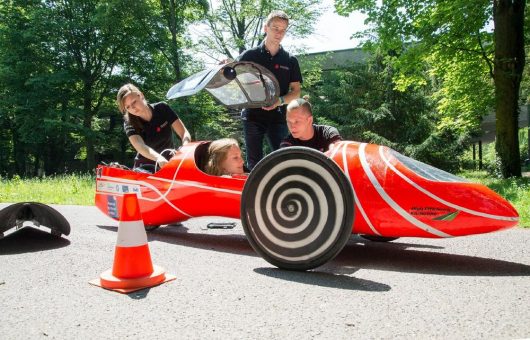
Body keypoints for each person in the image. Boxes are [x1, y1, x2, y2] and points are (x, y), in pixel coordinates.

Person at [236, 10, 302, 170]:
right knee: (254, 164)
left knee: (284, 161)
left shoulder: (290, 60)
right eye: (275, 28)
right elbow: (235, 79)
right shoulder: (248, 55)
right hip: (252, 116)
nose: (279, 33)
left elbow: (296, 92)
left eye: (283, 29)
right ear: (266, 28)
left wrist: (278, 101)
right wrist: (226, 66)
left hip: (278, 117)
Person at [117, 83, 192, 172]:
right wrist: (159, 158)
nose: (133, 108)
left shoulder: (162, 108)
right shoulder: (129, 122)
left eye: (134, 102)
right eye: (128, 107)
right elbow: (139, 145)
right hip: (144, 167)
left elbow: (184, 133)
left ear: (141, 95)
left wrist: (185, 148)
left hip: (170, 161)